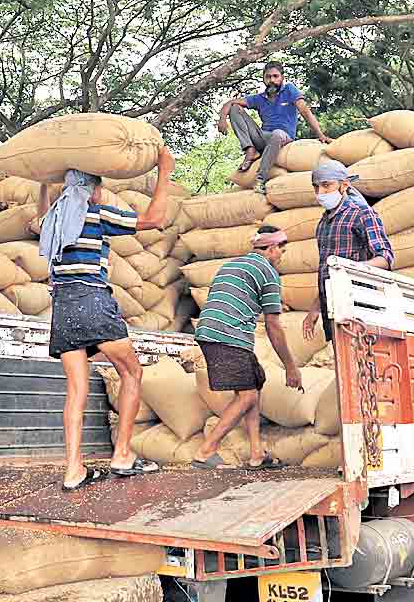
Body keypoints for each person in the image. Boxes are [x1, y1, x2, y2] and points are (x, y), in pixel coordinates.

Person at [36, 148, 175, 492]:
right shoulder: (95, 214)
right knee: (132, 371)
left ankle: (72, 470)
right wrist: (164, 171)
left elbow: (41, 212)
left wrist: (42, 183)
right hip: (93, 300)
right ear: (93, 190)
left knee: (76, 390)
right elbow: (154, 219)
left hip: (63, 308)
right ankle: (122, 454)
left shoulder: (52, 221)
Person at [190, 227, 303, 470]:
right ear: (271, 249)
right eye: (281, 250)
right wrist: (291, 367)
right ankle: (205, 450)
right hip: (228, 334)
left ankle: (256, 453)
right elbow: (273, 326)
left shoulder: (232, 265)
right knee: (247, 395)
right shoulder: (268, 273)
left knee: (255, 384)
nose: (281, 255)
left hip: (213, 330)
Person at [303, 159, 394, 343]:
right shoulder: (323, 223)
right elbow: (326, 273)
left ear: (344, 185)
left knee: (363, 364)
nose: (320, 193)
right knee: (342, 365)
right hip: (333, 308)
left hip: (358, 306)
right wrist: (315, 309)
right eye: (316, 187)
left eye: (326, 185)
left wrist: (348, 270)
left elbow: (385, 257)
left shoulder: (361, 213)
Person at [218, 62, 331, 194]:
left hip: (284, 137)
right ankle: (250, 149)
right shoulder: (259, 99)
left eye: (275, 76)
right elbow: (230, 102)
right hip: (263, 137)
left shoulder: (289, 90)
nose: (272, 80)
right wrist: (222, 119)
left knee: (277, 134)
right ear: (263, 79)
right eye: (268, 77)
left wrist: (320, 134)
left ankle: (260, 179)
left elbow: (305, 111)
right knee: (235, 108)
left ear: (282, 77)